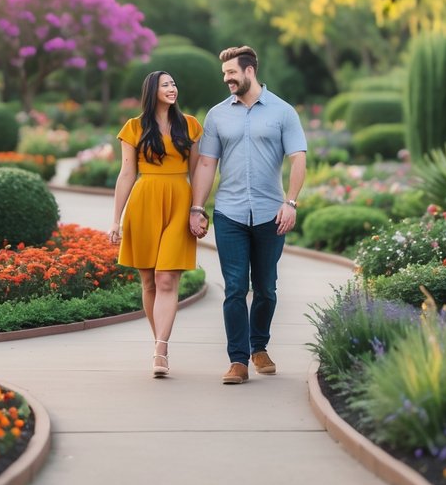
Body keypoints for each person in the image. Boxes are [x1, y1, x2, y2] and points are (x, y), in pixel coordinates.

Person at [188, 46, 307, 385]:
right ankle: (238, 360)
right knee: (235, 288)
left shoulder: (283, 112)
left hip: (272, 214)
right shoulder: (217, 115)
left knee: (267, 288)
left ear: (250, 71)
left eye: (231, 73)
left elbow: (298, 158)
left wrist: (291, 203)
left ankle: (260, 347)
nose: (226, 79)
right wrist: (198, 207)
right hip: (230, 213)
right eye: (224, 74)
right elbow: (207, 163)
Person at [111, 71, 204, 378]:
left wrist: (198, 209)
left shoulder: (189, 124)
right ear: (152, 91)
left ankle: (160, 349)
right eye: (165, 85)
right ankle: (158, 343)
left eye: (174, 84)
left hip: (179, 201)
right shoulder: (134, 127)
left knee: (166, 279)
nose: (172, 89)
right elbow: (126, 174)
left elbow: (198, 173)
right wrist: (116, 219)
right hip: (143, 201)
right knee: (149, 281)